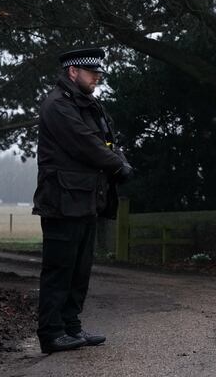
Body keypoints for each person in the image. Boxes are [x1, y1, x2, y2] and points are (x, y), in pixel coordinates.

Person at [32, 47, 133, 353]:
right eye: (92, 73)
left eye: (99, 74)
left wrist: (119, 158)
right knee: (59, 269)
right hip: (63, 200)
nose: (97, 78)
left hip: (87, 199)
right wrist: (117, 165)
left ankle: (71, 328)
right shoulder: (57, 105)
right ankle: (51, 333)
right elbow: (84, 142)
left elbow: (107, 141)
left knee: (80, 269)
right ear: (73, 72)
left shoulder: (90, 104)